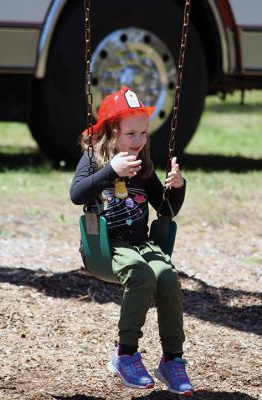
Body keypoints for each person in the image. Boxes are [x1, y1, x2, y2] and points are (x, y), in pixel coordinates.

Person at [70, 86, 194, 396]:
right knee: (140, 274)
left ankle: (172, 360)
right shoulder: (95, 161)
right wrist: (111, 171)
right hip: (109, 247)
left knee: (166, 275)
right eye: (130, 133)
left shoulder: (142, 168)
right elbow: (76, 194)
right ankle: (124, 354)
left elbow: (166, 209)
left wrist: (177, 187)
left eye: (143, 133)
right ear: (112, 132)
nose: (138, 140)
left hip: (141, 244)